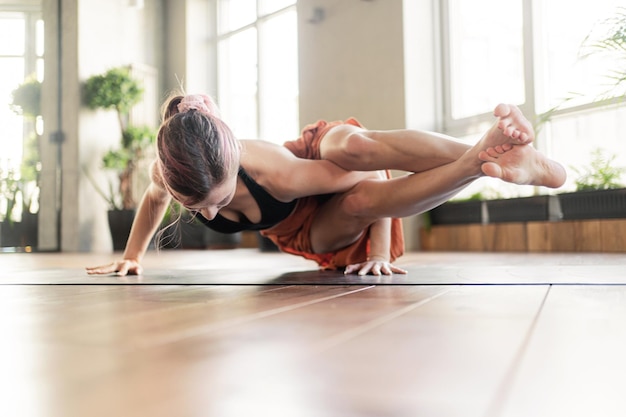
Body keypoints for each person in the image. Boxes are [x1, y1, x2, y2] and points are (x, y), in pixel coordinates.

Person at [86, 93, 566, 277]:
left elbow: (380, 172)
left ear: (234, 164)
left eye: (219, 200)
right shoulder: (170, 173)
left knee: (353, 152)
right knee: (356, 202)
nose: (210, 216)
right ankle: (484, 158)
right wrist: (132, 256)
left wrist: (380, 250)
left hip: (313, 166)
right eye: (198, 208)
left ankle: (491, 153)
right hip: (308, 230)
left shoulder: (281, 172)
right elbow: (152, 202)